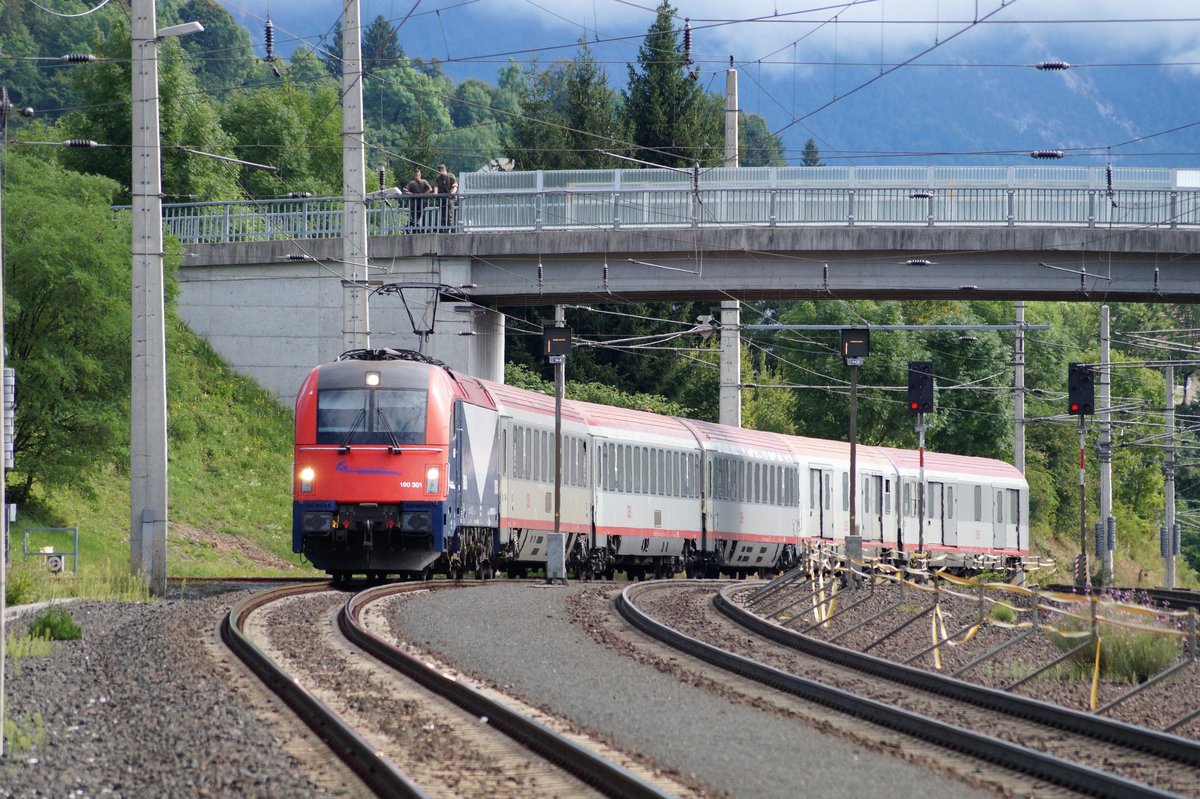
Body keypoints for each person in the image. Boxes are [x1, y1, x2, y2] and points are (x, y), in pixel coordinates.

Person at [433, 164, 458, 230]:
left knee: (449, 213)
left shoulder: (451, 176)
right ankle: (443, 227)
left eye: (440, 170)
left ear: (444, 170)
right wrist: (435, 192)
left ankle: (448, 227)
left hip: (450, 198)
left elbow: (455, 185)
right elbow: (436, 186)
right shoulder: (438, 178)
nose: (439, 172)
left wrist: (453, 192)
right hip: (442, 198)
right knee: (442, 213)